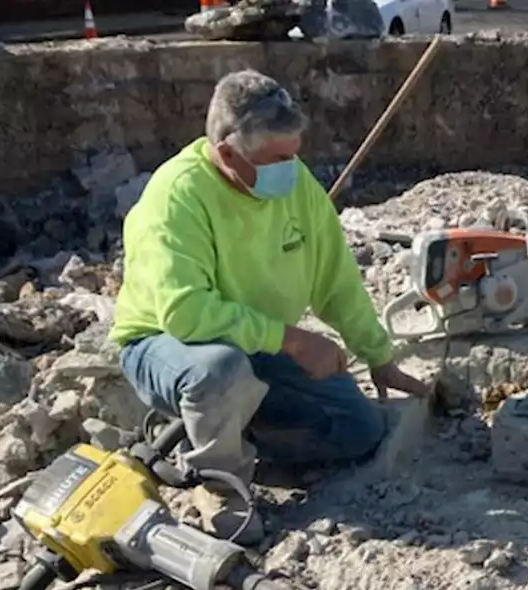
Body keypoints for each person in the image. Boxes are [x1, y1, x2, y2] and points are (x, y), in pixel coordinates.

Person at [110, 69, 427, 545]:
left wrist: (379, 357)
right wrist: (293, 340)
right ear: (228, 153)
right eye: (277, 158)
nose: (292, 167)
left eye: (294, 153)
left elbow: (335, 280)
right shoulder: (176, 198)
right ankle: (219, 484)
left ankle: (236, 441)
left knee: (358, 430)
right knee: (218, 369)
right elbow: (186, 314)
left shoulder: (296, 186)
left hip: (255, 342)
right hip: (168, 346)